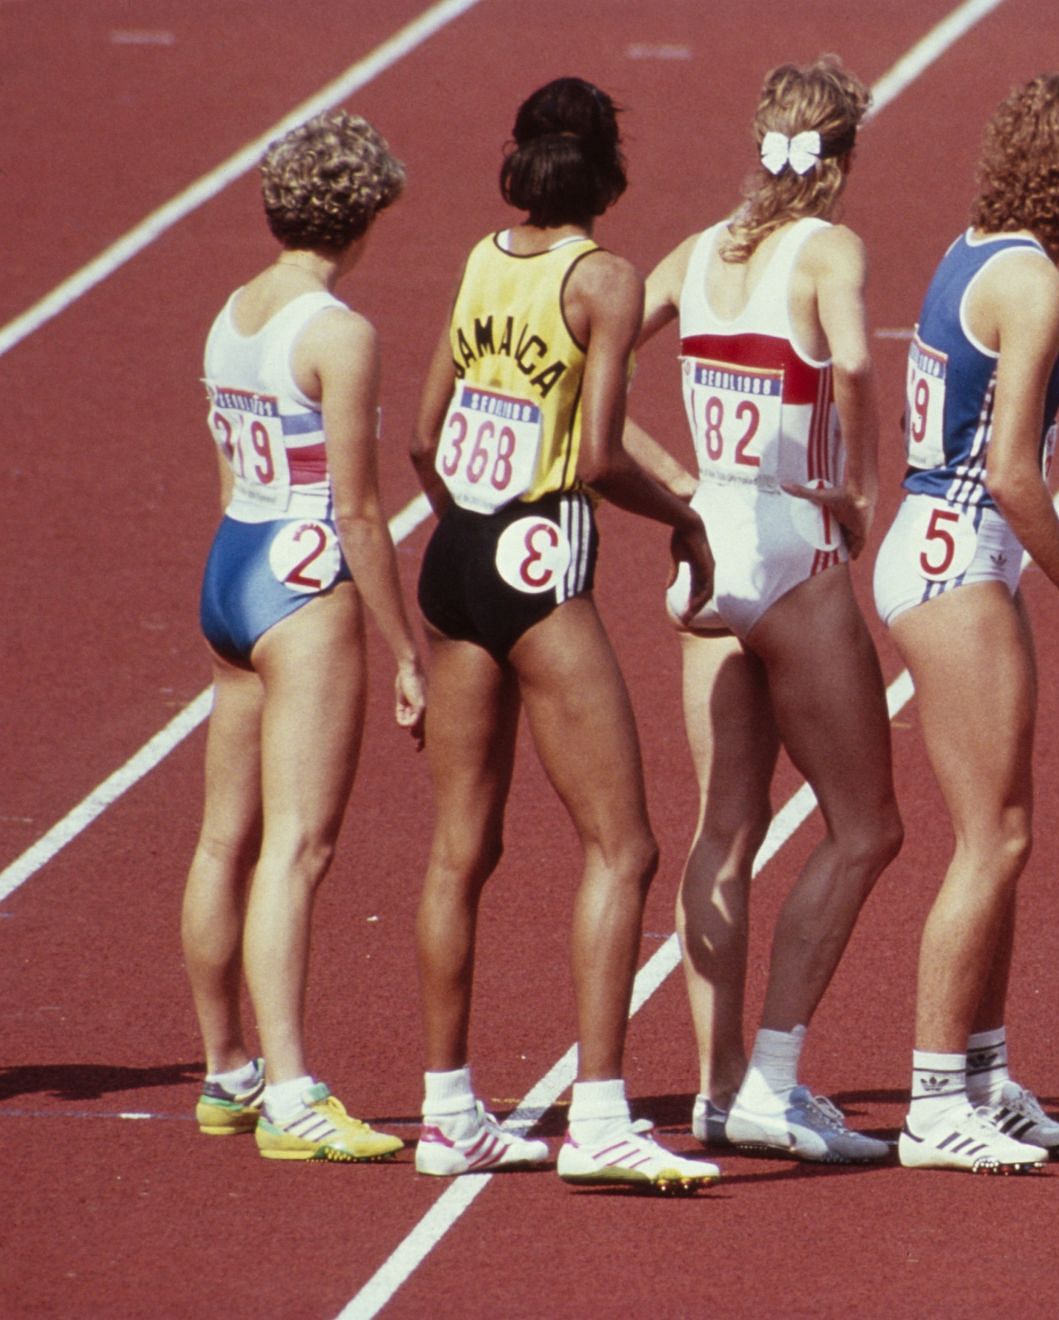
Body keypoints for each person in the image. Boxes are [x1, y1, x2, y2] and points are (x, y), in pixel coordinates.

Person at [409, 77, 719, 1191]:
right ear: (610, 172)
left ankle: (448, 1113)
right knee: (624, 845)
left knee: (461, 849)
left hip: (452, 559)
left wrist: (467, 548)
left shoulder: (484, 259)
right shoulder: (610, 280)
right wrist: (684, 516)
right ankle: (598, 1115)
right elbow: (596, 457)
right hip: (537, 556)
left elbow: (421, 435)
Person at [626, 56, 902, 1164]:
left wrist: (669, 480)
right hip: (793, 547)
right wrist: (863, 489)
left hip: (707, 553)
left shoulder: (697, 251)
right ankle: (773, 1083)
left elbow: (581, 365)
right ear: (840, 157)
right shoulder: (830, 249)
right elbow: (855, 369)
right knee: (867, 826)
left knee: (724, 830)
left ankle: (715, 1085)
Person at [869, 72, 1059, 1173]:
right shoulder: (1035, 284)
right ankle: (936, 1101)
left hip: (939, 546)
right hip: (958, 560)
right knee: (993, 839)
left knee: (1005, 836)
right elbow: (1015, 473)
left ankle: (983, 1076)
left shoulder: (971, 244)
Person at [182, 110, 422, 1162]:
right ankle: (289, 1094)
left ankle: (226, 1071)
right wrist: (408, 647)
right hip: (301, 583)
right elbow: (361, 513)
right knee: (299, 846)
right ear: (363, 219)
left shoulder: (230, 314)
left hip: (230, 567)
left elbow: (230, 462)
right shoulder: (339, 332)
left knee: (222, 839)